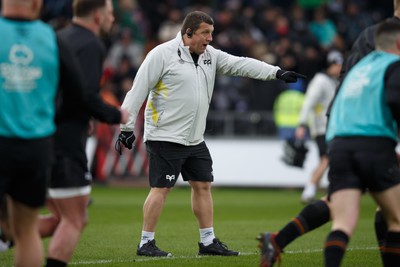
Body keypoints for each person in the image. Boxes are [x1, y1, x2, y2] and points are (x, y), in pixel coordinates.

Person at [115, 10, 305, 257]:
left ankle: (207, 241)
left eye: (211, 34)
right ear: (188, 33)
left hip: (195, 138)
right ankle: (145, 243)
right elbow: (137, 90)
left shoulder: (210, 56)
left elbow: (241, 64)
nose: (210, 39)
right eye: (205, 33)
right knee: (161, 188)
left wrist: (276, 72)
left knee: (203, 185)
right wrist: (126, 126)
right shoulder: (161, 55)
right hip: (165, 135)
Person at [257, 1, 400, 266]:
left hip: (343, 126)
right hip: (372, 129)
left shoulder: (370, 35)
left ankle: (278, 240)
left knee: (341, 207)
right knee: (392, 213)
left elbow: (348, 78)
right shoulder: (389, 48)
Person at [0, 0, 92, 265]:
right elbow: (77, 95)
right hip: (36, 147)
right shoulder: (52, 39)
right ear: (37, 4)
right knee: (27, 230)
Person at [38, 1, 129, 266]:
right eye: (111, 14)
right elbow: (85, 94)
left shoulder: (58, 36)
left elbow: (59, 90)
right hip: (66, 141)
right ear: (99, 16)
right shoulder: (91, 44)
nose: (113, 19)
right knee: (76, 219)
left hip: (42, 136)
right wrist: (115, 115)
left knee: (58, 218)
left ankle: (8, 236)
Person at [323, 20, 400, 267]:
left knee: (342, 223)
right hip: (374, 145)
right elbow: (394, 101)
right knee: (397, 220)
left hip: (340, 144)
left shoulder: (359, 68)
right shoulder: (393, 65)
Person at [296, 50, 343, 203]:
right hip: (322, 127)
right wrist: (302, 124)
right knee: (326, 159)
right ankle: (309, 189)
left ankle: (313, 189)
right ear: (330, 65)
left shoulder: (333, 81)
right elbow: (308, 102)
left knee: (328, 159)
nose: (341, 67)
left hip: (332, 127)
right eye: (338, 64)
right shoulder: (321, 81)